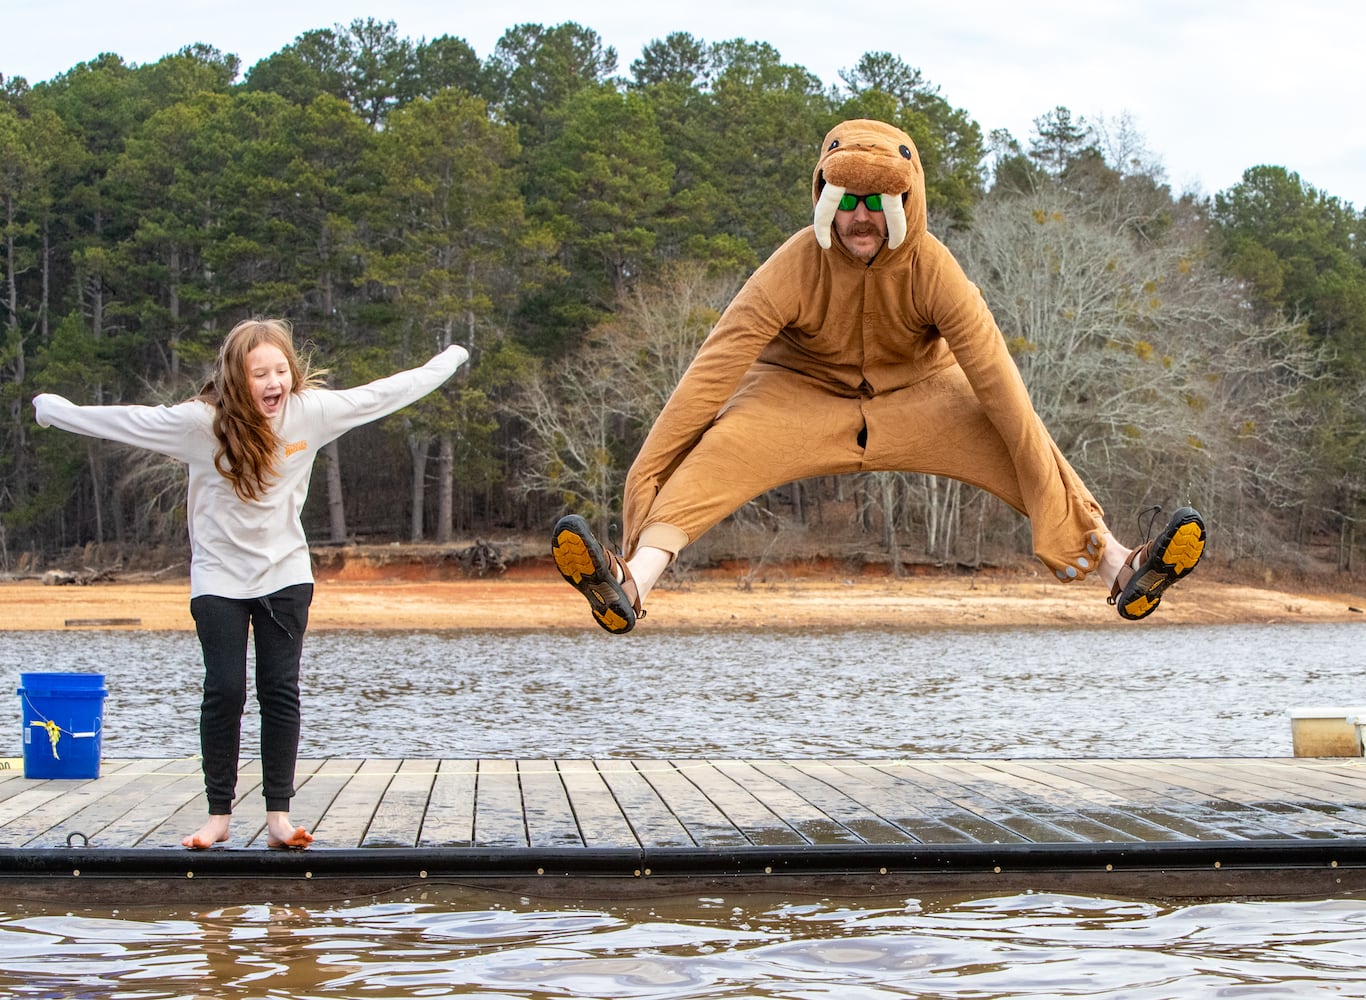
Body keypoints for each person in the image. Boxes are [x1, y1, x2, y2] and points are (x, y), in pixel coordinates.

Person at [549, 118, 1205, 634]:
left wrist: (1045, 485)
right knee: (717, 450)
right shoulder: (792, 266)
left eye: (876, 202)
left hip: (922, 393)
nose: (860, 217)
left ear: (905, 201)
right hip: (798, 392)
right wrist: (639, 495)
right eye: (846, 201)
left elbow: (999, 384)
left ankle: (1122, 568)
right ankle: (630, 582)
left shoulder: (932, 268)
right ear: (823, 200)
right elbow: (708, 377)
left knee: (1021, 437)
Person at [34, 319, 468, 848]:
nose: (273, 382)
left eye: (281, 370)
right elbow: (130, 422)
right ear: (236, 379)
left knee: (279, 692)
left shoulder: (311, 412)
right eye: (259, 373)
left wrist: (446, 361)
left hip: (285, 574)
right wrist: (55, 411)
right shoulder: (201, 425)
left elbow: (381, 394)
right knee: (224, 691)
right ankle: (219, 817)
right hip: (217, 577)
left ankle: (279, 818)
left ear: (293, 373)